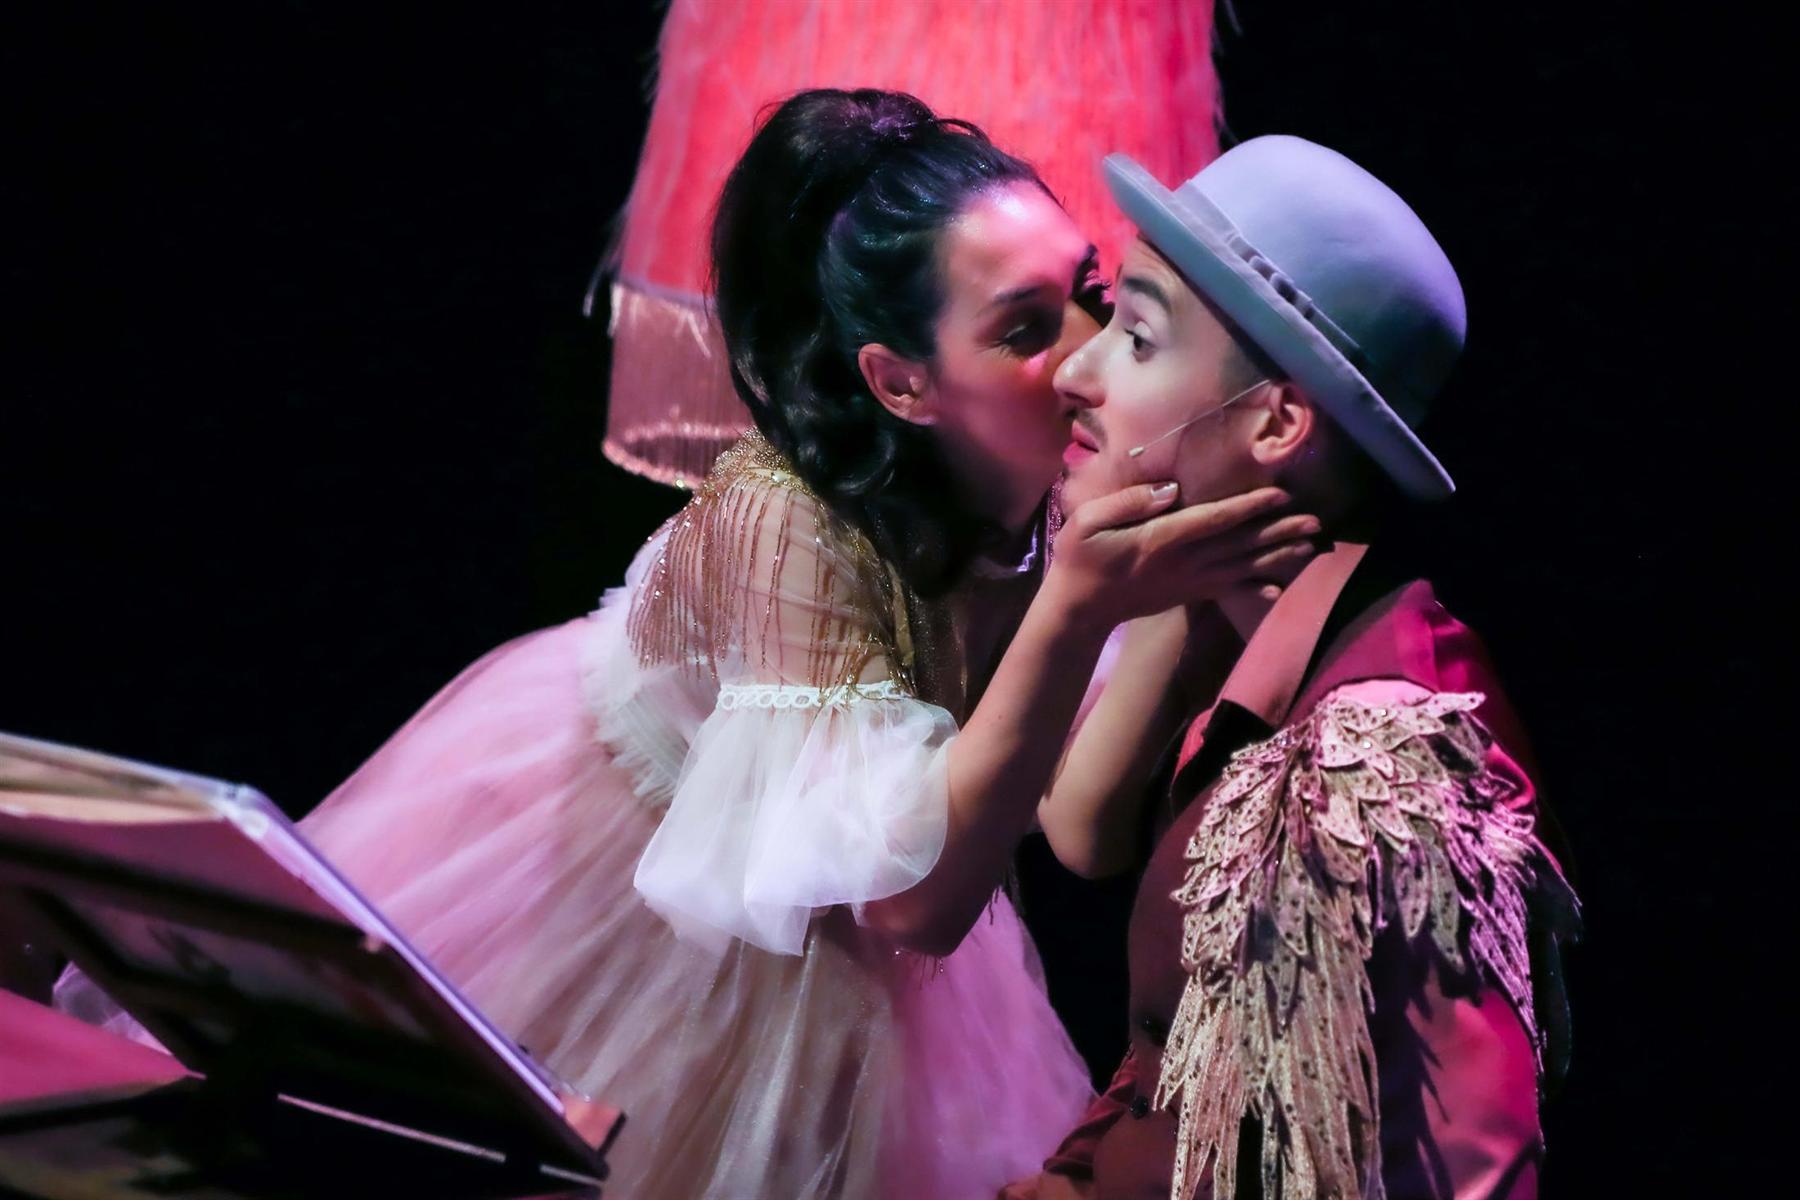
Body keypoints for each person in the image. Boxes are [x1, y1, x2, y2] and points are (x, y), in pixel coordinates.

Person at [60, 91, 1318, 1199]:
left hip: (876, 905)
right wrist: (1085, 603)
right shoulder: (787, 523)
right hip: (638, 888)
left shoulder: (1060, 489)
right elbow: (913, 903)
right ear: (901, 383)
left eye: (1092, 291)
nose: (1088, 357)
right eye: (1024, 329)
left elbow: (1079, 824)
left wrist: (1169, 597)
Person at [1016, 136, 1580, 1199]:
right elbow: (1091, 854)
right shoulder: (1237, 636)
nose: (1074, 372)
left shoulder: (1382, 757)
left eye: (1137, 337)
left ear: (1277, 422)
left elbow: (1468, 1169)